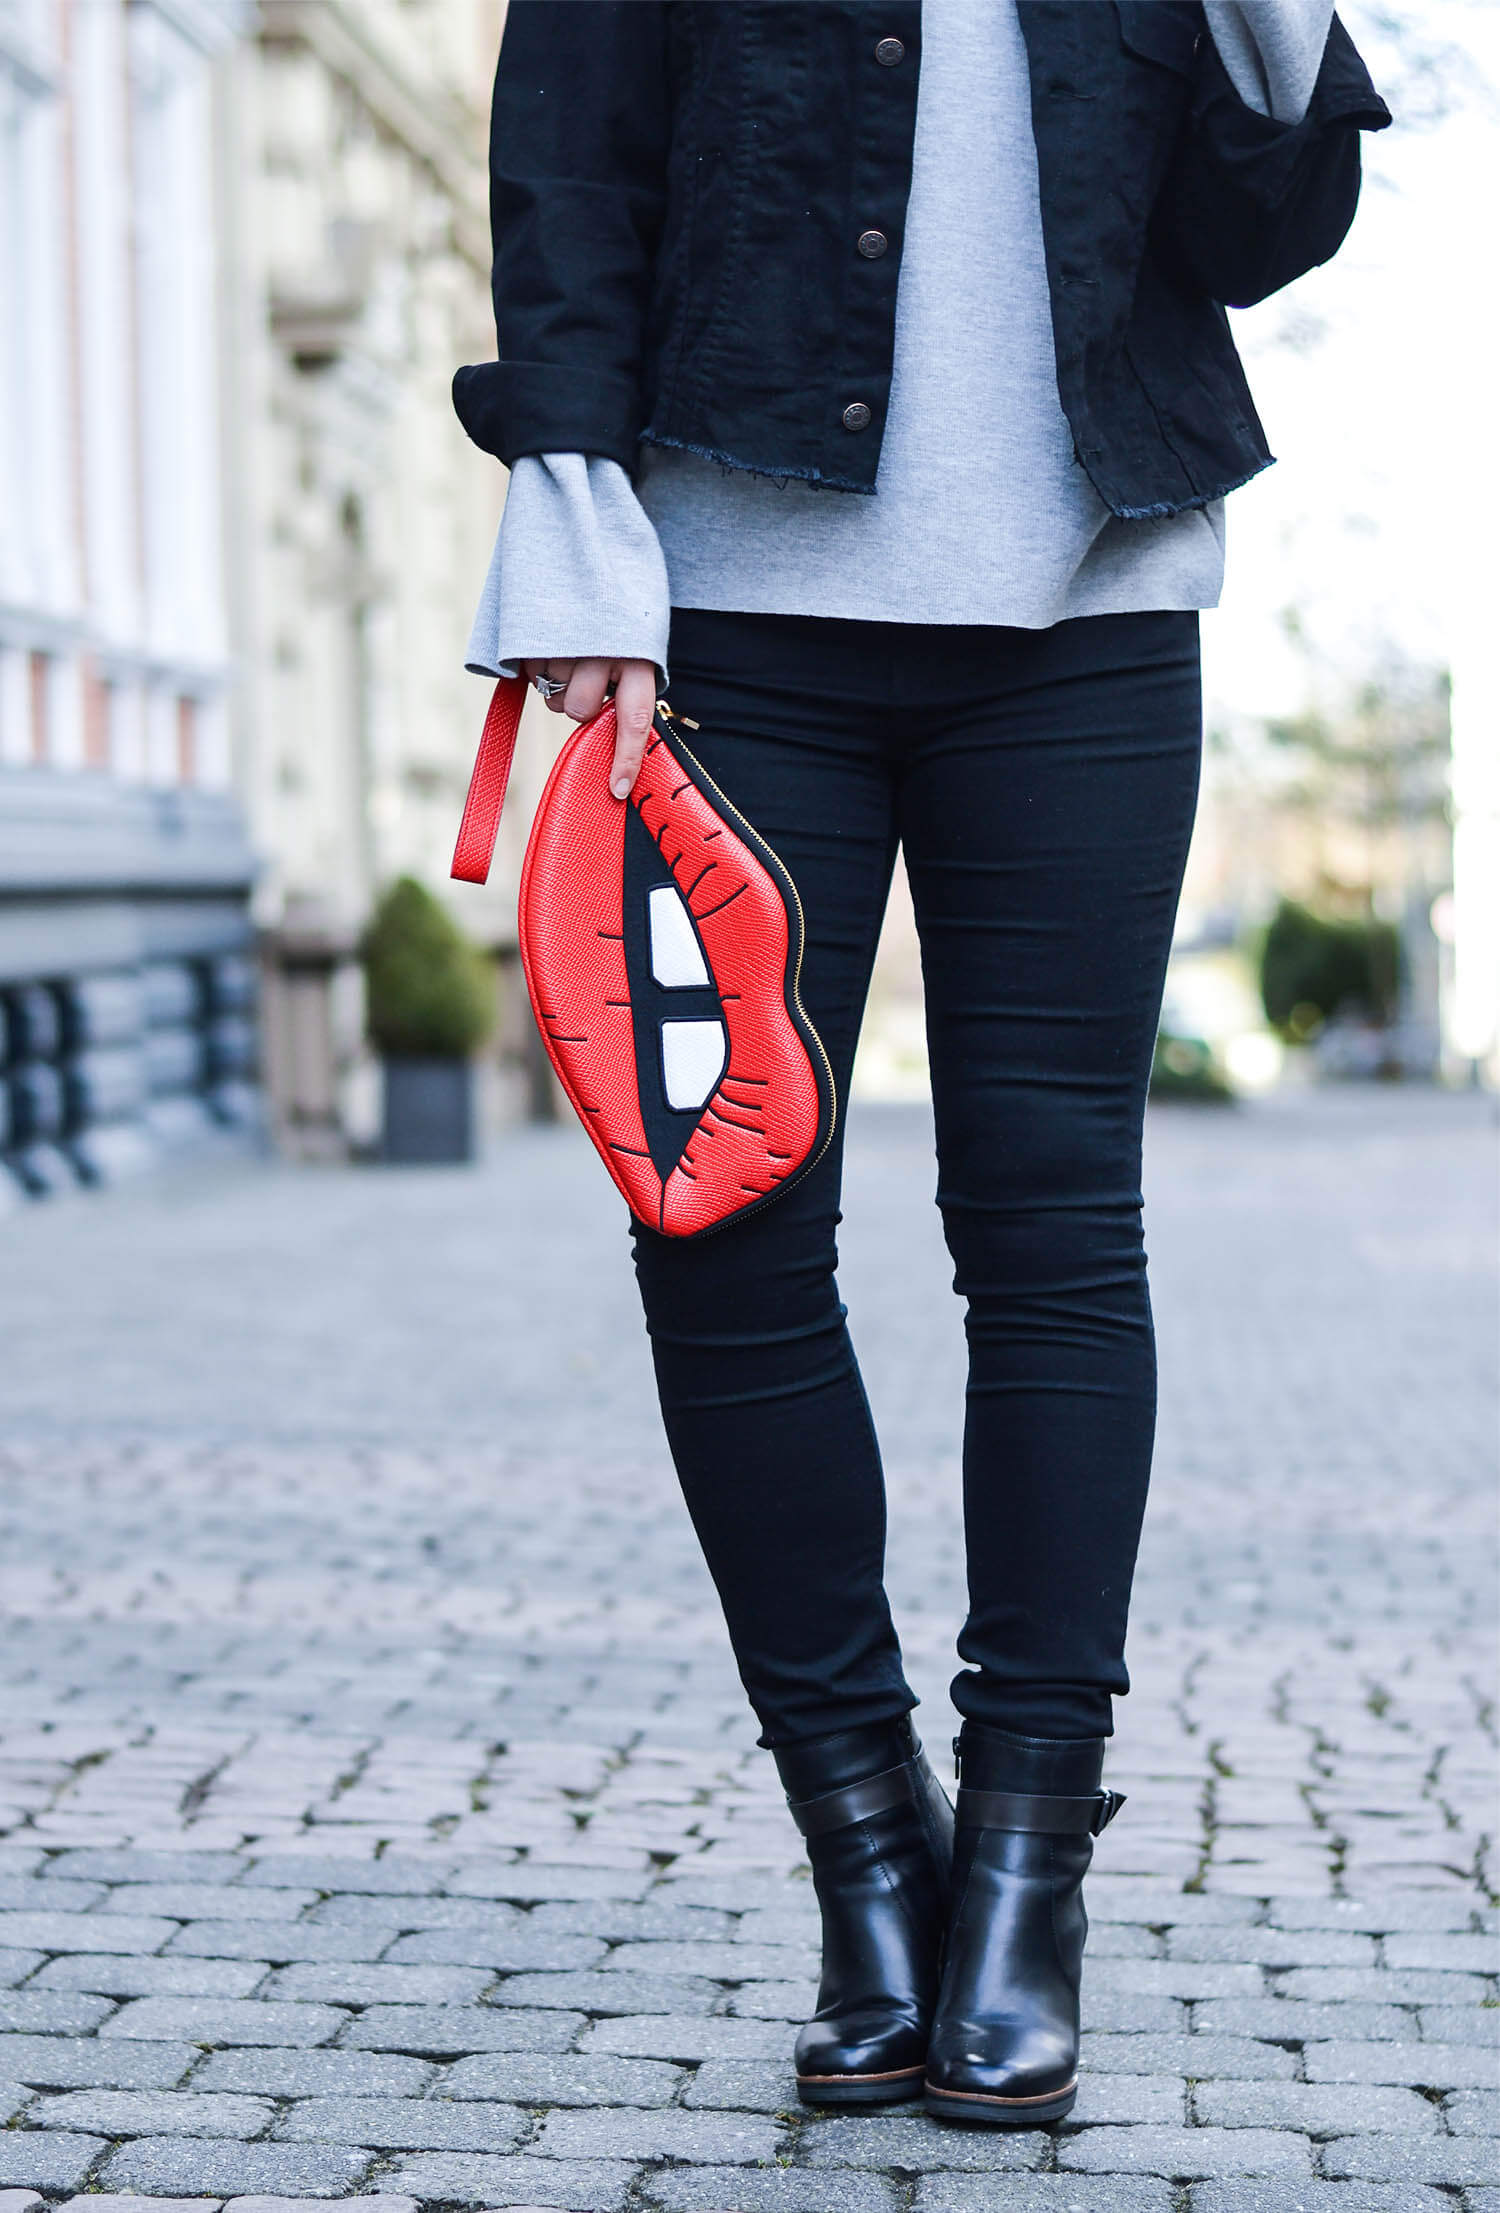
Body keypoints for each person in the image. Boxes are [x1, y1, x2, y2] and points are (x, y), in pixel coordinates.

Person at [454, 0, 1388, 2126]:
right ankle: (870, 1857)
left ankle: (1023, 1882)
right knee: (724, 1221)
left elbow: (1267, 233)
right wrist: (580, 542)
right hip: (726, 617)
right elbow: (572, 150)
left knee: (1055, 1233)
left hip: (1088, 619)